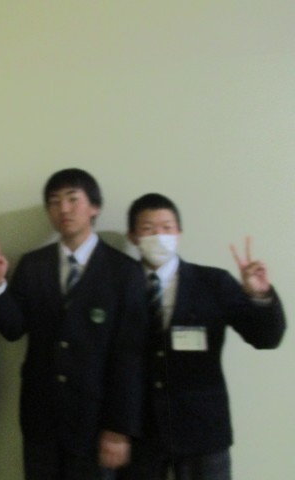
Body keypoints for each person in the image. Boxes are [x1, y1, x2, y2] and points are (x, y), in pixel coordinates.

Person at [0, 168, 148, 480]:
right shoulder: (33, 265)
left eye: (73, 199)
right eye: (55, 201)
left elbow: (129, 356)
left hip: (96, 422)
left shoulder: (124, 272)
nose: (64, 209)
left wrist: (119, 429)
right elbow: (13, 329)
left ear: (94, 206)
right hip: (41, 419)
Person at [119, 193, 286, 480]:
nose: (159, 236)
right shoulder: (118, 285)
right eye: (148, 229)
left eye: (167, 228)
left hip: (203, 429)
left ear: (179, 233)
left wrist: (260, 296)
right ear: (133, 237)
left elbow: (266, 338)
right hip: (141, 431)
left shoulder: (214, 282)